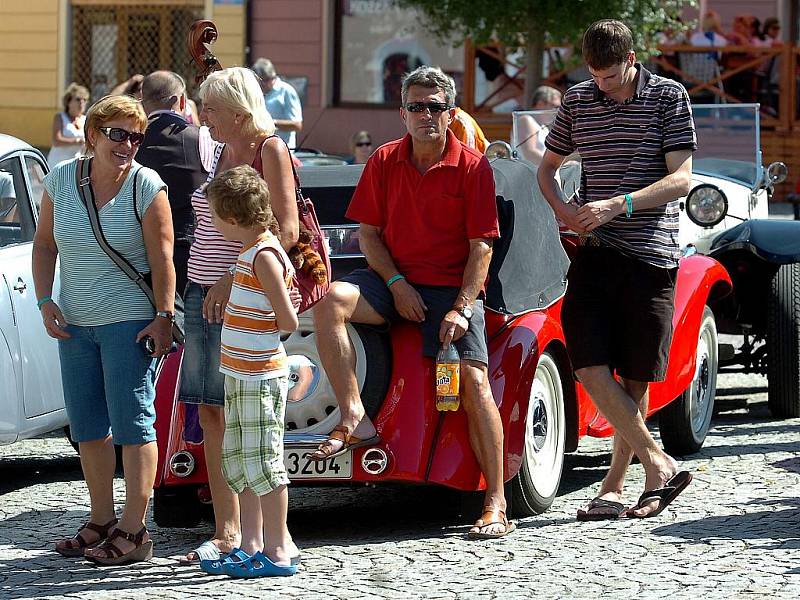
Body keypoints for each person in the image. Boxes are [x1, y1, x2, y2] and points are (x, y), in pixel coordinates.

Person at [309, 66, 513, 538]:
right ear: (402, 114)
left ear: (451, 113)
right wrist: (397, 283)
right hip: (392, 280)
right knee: (330, 301)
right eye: (417, 107)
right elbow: (369, 236)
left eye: (435, 106)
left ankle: (496, 501)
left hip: (450, 289)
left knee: (474, 384)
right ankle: (353, 415)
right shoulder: (383, 159)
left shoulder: (473, 166)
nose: (426, 115)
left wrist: (463, 308)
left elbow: (481, 246)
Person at [537, 19, 696, 520]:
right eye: (594, 75)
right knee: (586, 362)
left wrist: (618, 205)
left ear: (631, 59)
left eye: (610, 76)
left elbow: (682, 181)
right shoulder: (579, 99)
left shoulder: (669, 97)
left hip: (652, 252)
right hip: (596, 249)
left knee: (635, 375)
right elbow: (547, 169)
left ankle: (615, 485)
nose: (601, 85)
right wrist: (567, 213)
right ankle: (659, 463)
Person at [32, 94, 176, 564]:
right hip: (75, 325)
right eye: (118, 134)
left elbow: (163, 261)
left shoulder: (145, 185)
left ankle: (135, 531)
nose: (128, 144)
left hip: (129, 324)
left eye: (136, 136)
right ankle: (100, 520)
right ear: (92, 135)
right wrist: (44, 299)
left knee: (133, 427)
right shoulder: (59, 179)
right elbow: (44, 245)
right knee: (89, 428)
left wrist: (164, 316)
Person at [178, 66, 298, 566]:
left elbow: (284, 229)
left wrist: (230, 281)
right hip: (200, 290)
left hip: (238, 294)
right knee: (210, 409)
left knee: (244, 424)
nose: (203, 117)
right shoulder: (216, 148)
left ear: (237, 110)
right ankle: (231, 532)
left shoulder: (268, 148)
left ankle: (264, 539)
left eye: (211, 109)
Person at [201, 165, 299, 577]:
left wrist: (264, 331)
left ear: (234, 219)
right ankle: (251, 542)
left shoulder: (263, 255)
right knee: (241, 460)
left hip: (261, 376)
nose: (213, 224)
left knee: (265, 463)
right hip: (241, 374)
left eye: (216, 217)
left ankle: (278, 551)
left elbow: (288, 319)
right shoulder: (248, 253)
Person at [138, 71, 216, 297]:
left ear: (143, 102)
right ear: (181, 101)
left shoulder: (129, 140)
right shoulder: (202, 137)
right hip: (188, 249)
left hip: (140, 251)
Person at [252, 58, 303, 150]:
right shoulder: (255, 92)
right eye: (259, 82)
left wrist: (271, 122)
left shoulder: (286, 91)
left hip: (283, 150)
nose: (261, 85)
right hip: (259, 149)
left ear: (273, 77)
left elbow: (297, 125)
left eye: (265, 81)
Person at [515, 86, 562, 166]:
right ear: (540, 104)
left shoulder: (544, 127)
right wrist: (557, 166)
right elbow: (530, 152)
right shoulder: (526, 120)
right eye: (555, 107)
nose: (558, 111)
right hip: (526, 174)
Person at [47, 83, 89, 168]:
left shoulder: (86, 120)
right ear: (68, 102)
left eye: (84, 100)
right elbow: (56, 141)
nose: (81, 103)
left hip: (75, 165)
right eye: (78, 99)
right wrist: (78, 141)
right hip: (57, 164)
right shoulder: (60, 117)